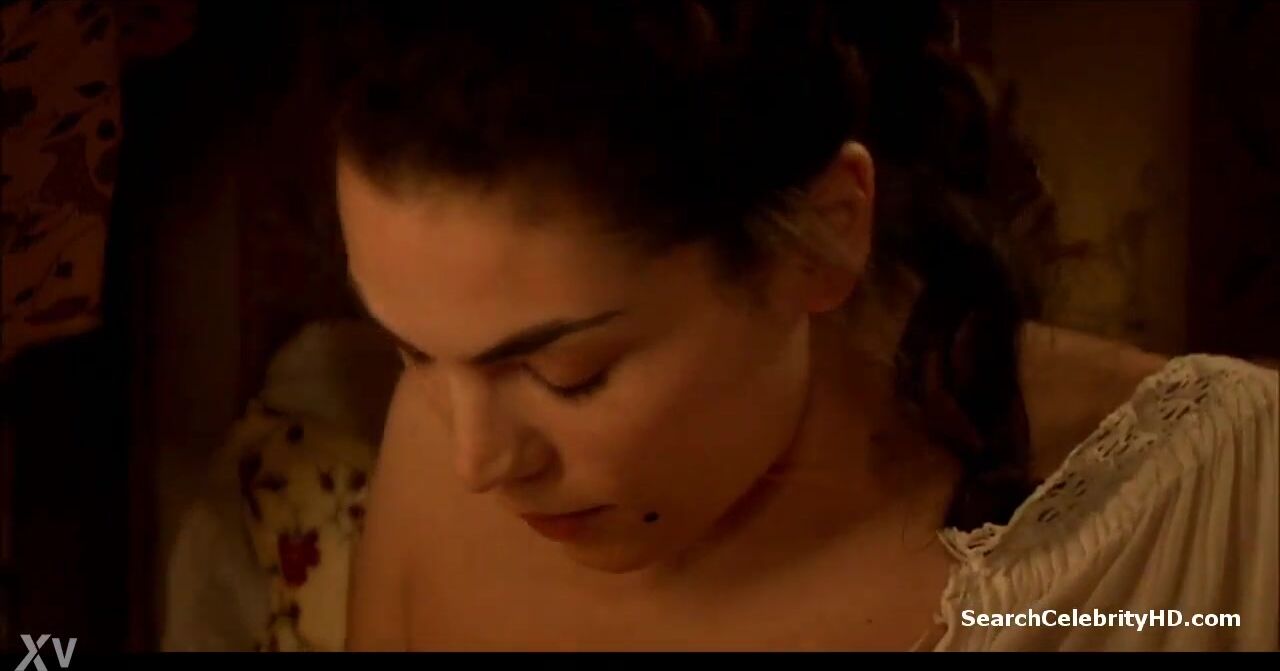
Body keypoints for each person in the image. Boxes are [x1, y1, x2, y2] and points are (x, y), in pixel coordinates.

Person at [330, 1, 1278, 651]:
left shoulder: (1217, 503)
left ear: (821, 240)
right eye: (415, 353)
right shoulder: (436, 447)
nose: (477, 461)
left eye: (568, 372)